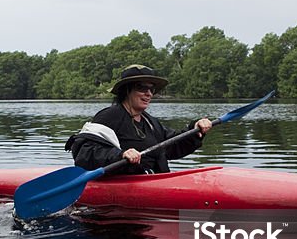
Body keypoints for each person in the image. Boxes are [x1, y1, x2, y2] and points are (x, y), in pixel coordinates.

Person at [66, 64, 213, 174]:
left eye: (151, 89)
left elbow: (172, 146)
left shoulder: (150, 122)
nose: (149, 93)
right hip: (123, 184)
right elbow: (85, 154)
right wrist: (120, 155)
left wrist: (195, 130)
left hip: (154, 182)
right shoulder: (109, 116)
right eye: (142, 88)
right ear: (127, 90)